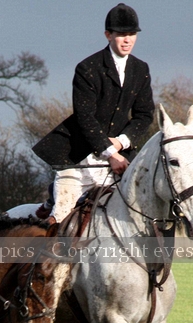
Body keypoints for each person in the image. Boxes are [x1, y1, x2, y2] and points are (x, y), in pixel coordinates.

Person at [32, 3, 154, 223]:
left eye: (132, 34)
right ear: (108, 35)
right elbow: (84, 117)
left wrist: (121, 142)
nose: (127, 40)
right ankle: (52, 217)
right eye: (121, 34)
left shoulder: (141, 69)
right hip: (79, 157)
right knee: (61, 216)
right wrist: (111, 153)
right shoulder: (87, 68)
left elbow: (144, 115)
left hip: (121, 155)